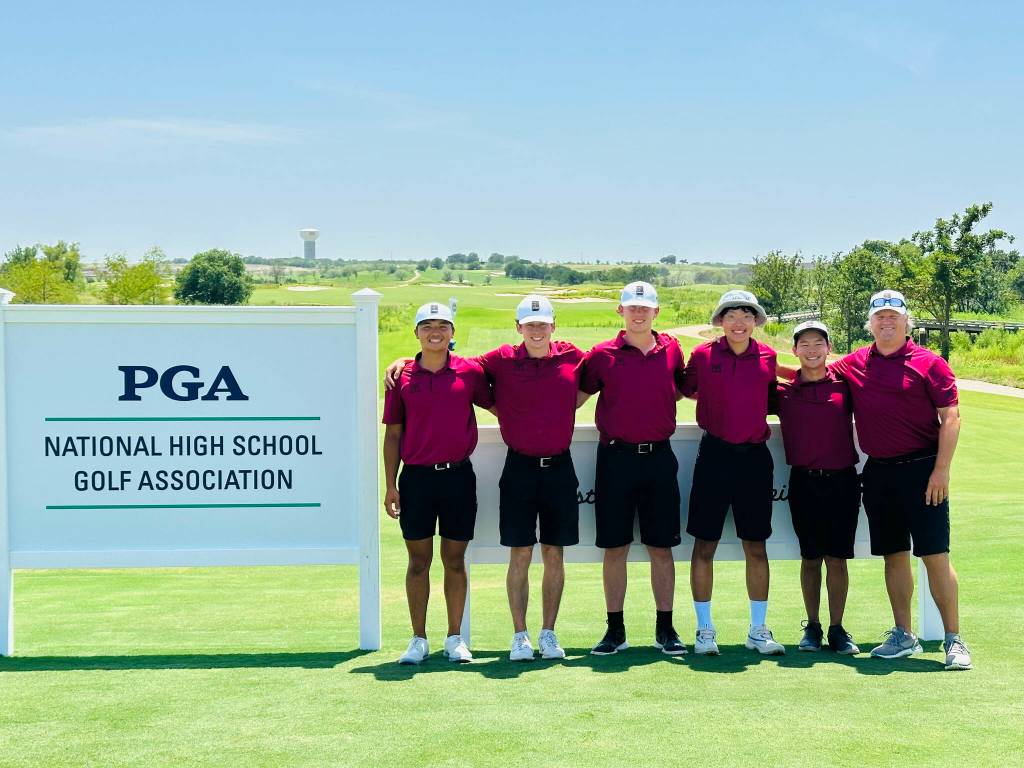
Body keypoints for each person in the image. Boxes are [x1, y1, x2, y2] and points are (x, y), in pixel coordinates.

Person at [385, 295, 584, 662]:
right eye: (529, 325)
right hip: (497, 469)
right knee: (514, 553)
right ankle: (510, 636)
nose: (536, 331)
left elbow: (594, 378)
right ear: (518, 328)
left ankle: (545, 634)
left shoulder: (572, 357)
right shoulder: (492, 362)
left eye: (542, 324)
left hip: (549, 469)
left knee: (550, 554)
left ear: (553, 326)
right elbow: (398, 428)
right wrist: (402, 360)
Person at [828, 290, 971, 670]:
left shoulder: (930, 363)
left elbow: (951, 418)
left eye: (894, 316)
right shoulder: (856, 362)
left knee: (934, 555)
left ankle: (954, 640)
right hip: (878, 472)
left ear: (907, 321)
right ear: (870, 323)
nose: (887, 322)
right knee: (894, 555)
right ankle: (903, 633)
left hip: (924, 470)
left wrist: (941, 470)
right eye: (880, 317)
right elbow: (813, 371)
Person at [577, 281, 687, 656]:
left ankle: (666, 629)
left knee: (661, 548)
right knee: (616, 548)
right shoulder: (602, 354)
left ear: (656, 312)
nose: (638, 313)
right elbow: (572, 393)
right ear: (620, 312)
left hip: (659, 458)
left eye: (646, 308)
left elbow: (679, 389)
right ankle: (615, 630)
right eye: (631, 307)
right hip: (616, 459)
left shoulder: (672, 349)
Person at [382, 301, 494, 665]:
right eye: (427, 326)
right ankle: (418, 639)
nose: (435, 332)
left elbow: (503, 400)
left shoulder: (469, 372)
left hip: (458, 477)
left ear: (453, 333)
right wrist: (391, 484)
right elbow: (393, 435)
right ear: (416, 332)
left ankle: (454, 638)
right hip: (415, 480)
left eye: (443, 326)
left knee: (455, 561)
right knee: (418, 562)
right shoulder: (401, 377)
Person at [681, 289, 784, 656]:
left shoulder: (769, 357)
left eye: (746, 314)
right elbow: (686, 388)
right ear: (720, 321)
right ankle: (704, 630)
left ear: (756, 321)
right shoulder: (702, 355)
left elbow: (779, 391)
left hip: (755, 459)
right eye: (731, 314)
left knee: (755, 545)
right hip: (714, 455)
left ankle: (758, 630)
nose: (739, 322)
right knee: (704, 545)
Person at [771, 320, 860, 654]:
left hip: (843, 482)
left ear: (829, 348)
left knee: (837, 559)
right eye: (804, 344)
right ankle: (813, 626)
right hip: (804, 483)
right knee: (810, 559)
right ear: (794, 351)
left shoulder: (846, 386)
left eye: (817, 343)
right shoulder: (783, 392)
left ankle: (837, 629)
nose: (811, 350)